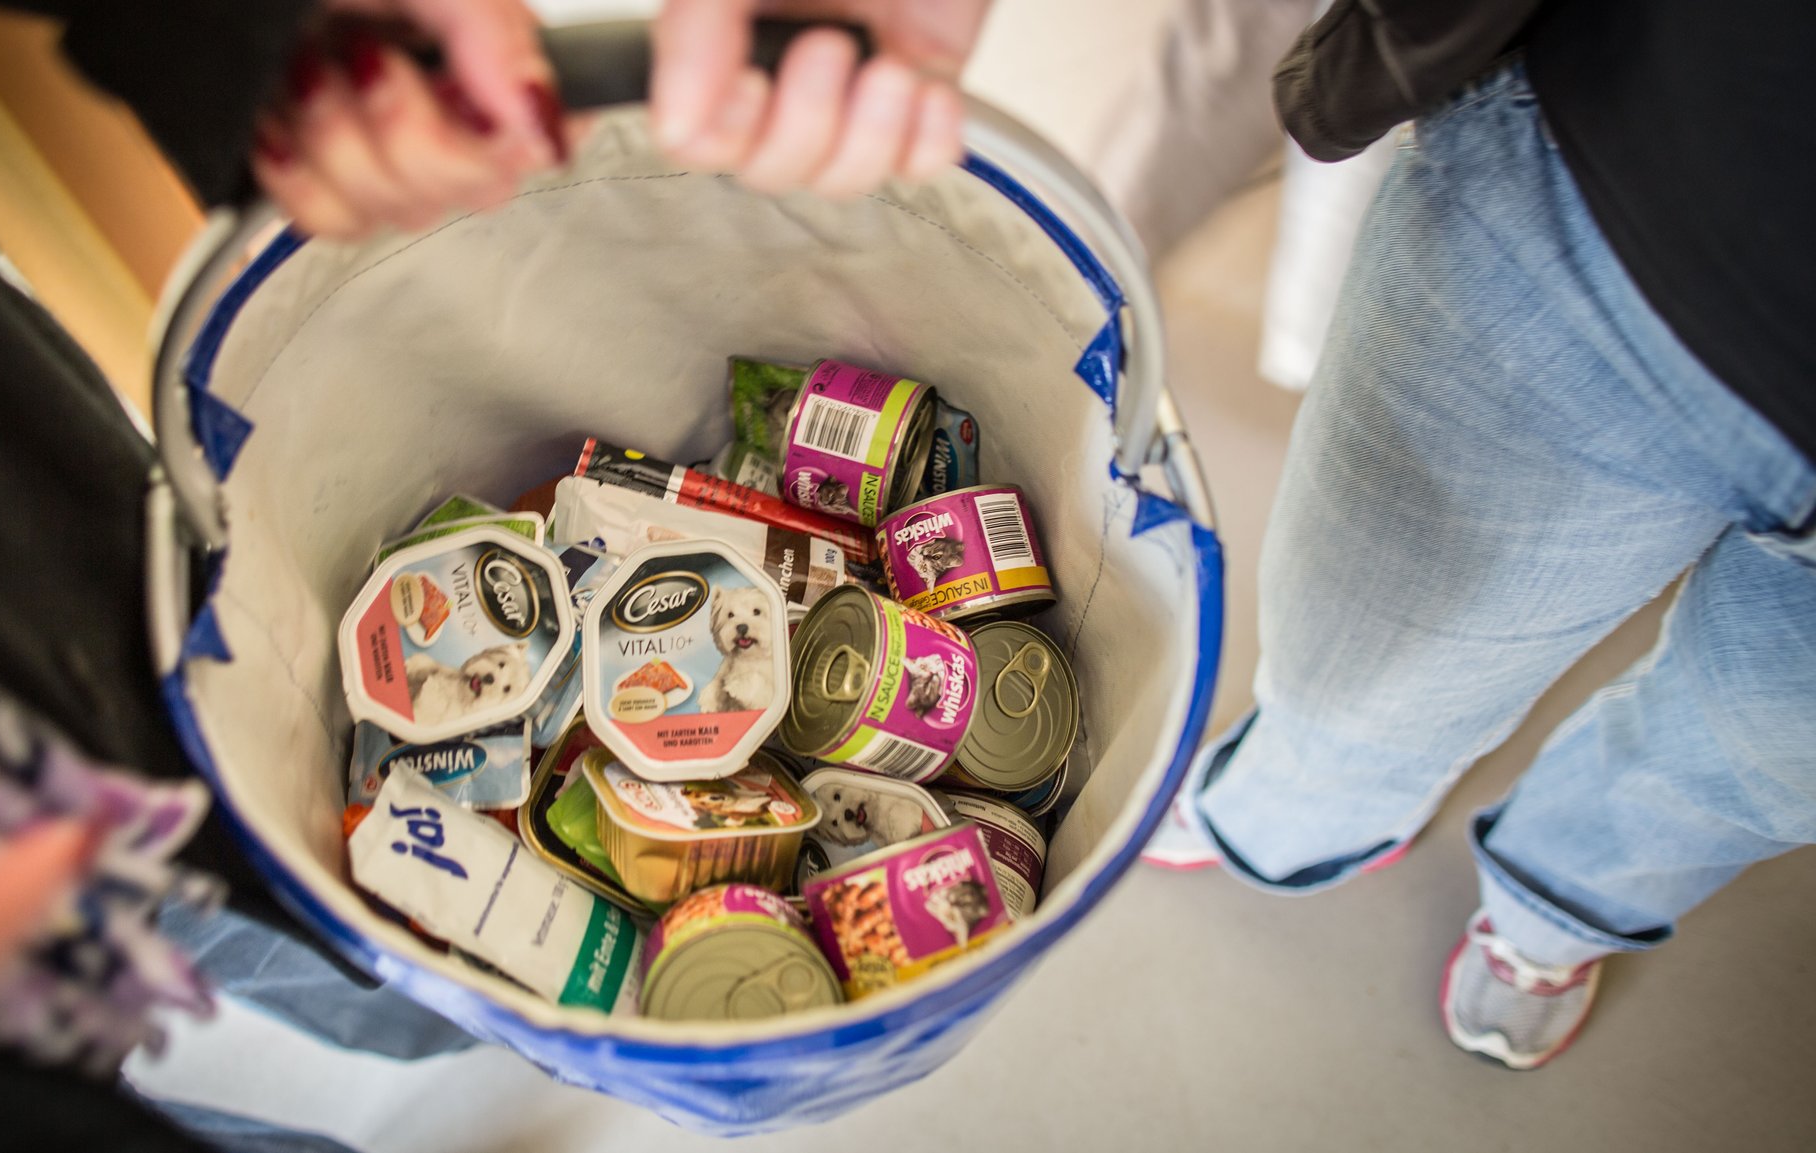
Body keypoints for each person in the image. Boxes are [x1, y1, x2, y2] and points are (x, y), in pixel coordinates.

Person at [0, 1, 977, 1150]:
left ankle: (420, 1009)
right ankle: (433, 1001)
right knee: (342, 900)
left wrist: (266, 35)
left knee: (317, 920)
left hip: (16, 538)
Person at [676, 0, 1816, 1073]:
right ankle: (1295, 806)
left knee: (1754, 763)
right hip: (1621, 182)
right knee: (1364, 651)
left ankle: (1559, 908)